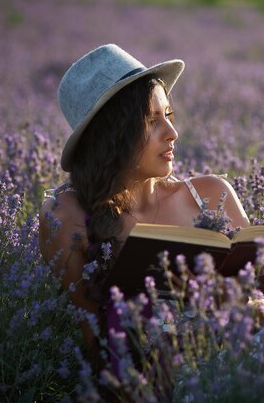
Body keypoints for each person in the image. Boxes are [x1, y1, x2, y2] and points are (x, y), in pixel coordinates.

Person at [37, 44, 250, 371]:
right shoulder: (67, 215)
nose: (172, 133)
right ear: (113, 135)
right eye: (153, 121)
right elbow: (97, 344)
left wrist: (261, 304)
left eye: (169, 115)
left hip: (242, 363)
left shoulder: (211, 195)